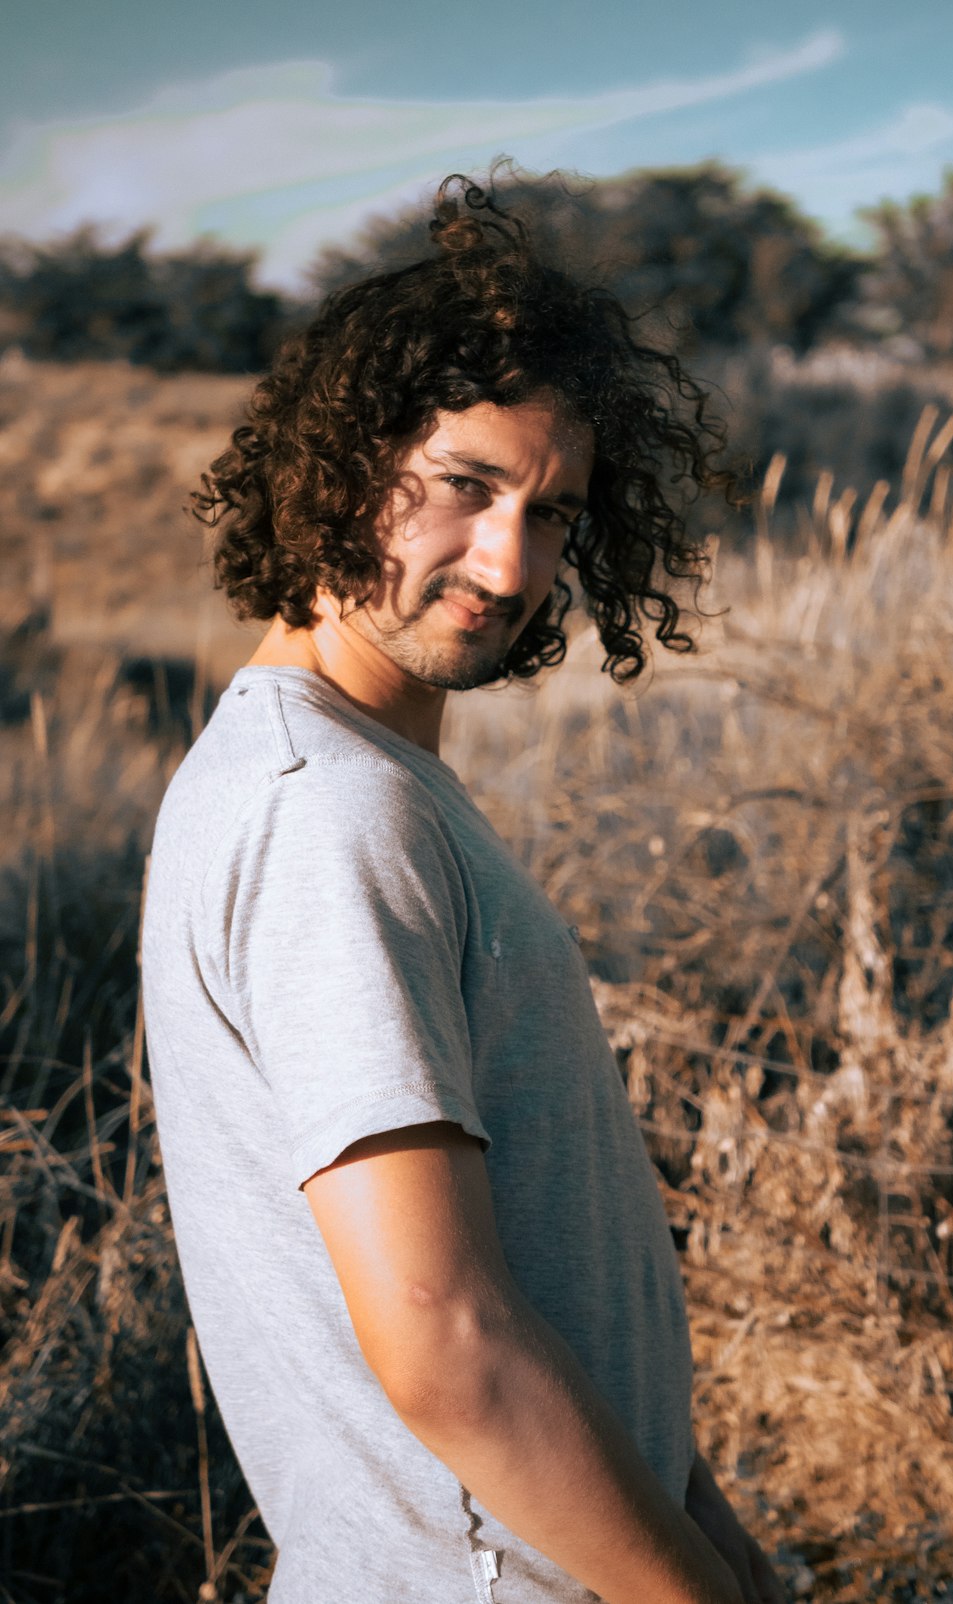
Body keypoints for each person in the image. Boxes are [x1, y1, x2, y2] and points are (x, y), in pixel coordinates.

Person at [141, 173, 783, 1604]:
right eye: (466, 486)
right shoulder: (330, 816)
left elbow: (539, 1277)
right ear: (343, 469)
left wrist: (712, 1544)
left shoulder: (353, 776)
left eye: (552, 513)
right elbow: (445, 1335)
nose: (509, 563)